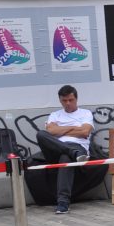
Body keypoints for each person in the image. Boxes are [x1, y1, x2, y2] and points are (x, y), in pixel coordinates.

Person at [36, 85, 93, 214]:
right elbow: (50, 131)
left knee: (65, 158)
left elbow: (84, 132)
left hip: (78, 147)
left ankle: (63, 203)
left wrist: (61, 131)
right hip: (56, 149)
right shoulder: (55, 115)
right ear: (60, 101)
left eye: (70, 100)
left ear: (76, 99)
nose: (67, 103)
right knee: (41, 134)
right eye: (64, 101)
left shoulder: (85, 113)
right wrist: (74, 128)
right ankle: (73, 153)